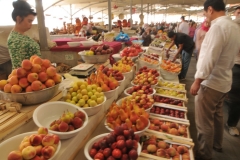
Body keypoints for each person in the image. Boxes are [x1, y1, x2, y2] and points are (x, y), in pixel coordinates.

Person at [190, 0, 240, 160]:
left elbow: (209, 57)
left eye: (205, 12)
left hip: (210, 83)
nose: (205, 16)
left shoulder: (217, 27)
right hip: (224, 81)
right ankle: (217, 144)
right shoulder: (234, 26)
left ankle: (205, 155)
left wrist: (198, 80)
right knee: (218, 115)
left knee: (204, 123)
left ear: (210, 9)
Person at [8, 0, 41, 69]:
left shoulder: (22, 35)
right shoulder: (15, 40)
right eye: (29, 21)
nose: (31, 24)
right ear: (19, 19)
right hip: (27, 78)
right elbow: (18, 68)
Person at [225, 6, 240, 136]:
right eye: (239, 13)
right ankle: (231, 124)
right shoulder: (233, 27)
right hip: (236, 64)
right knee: (235, 97)